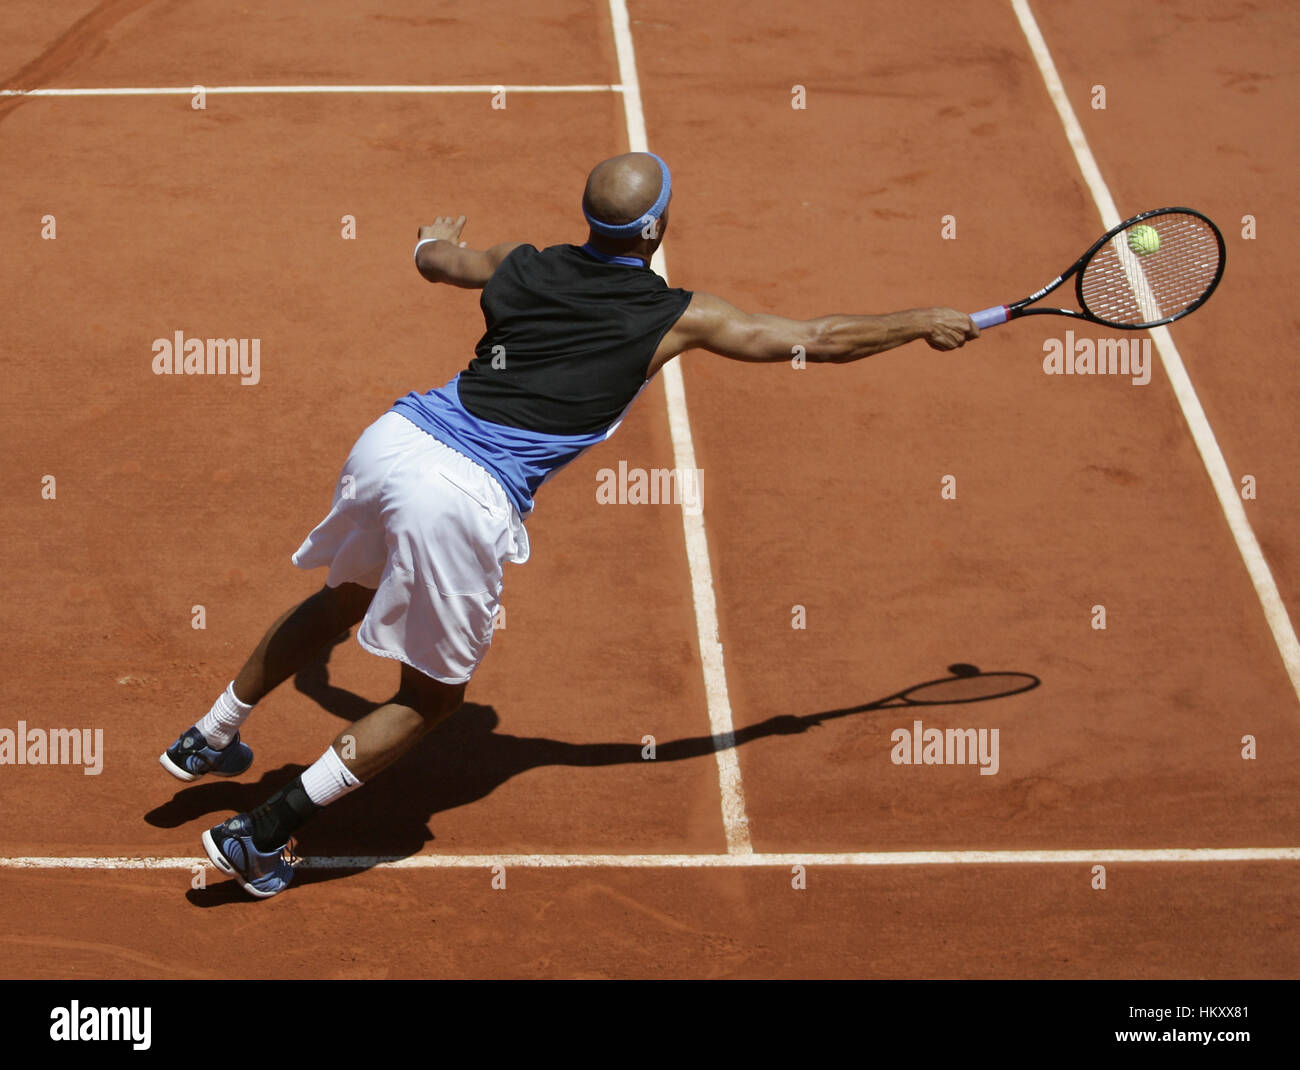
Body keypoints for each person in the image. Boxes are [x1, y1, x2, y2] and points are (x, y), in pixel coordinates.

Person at [159, 151, 979, 898]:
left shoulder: (523, 266)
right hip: (460, 493)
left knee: (344, 598)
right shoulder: (678, 316)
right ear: (656, 227)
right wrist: (920, 319)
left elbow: (440, 261)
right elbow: (816, 341)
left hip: (394, 441)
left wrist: (426, 242)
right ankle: (261, 833)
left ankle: (212, 733)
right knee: (432, 700)